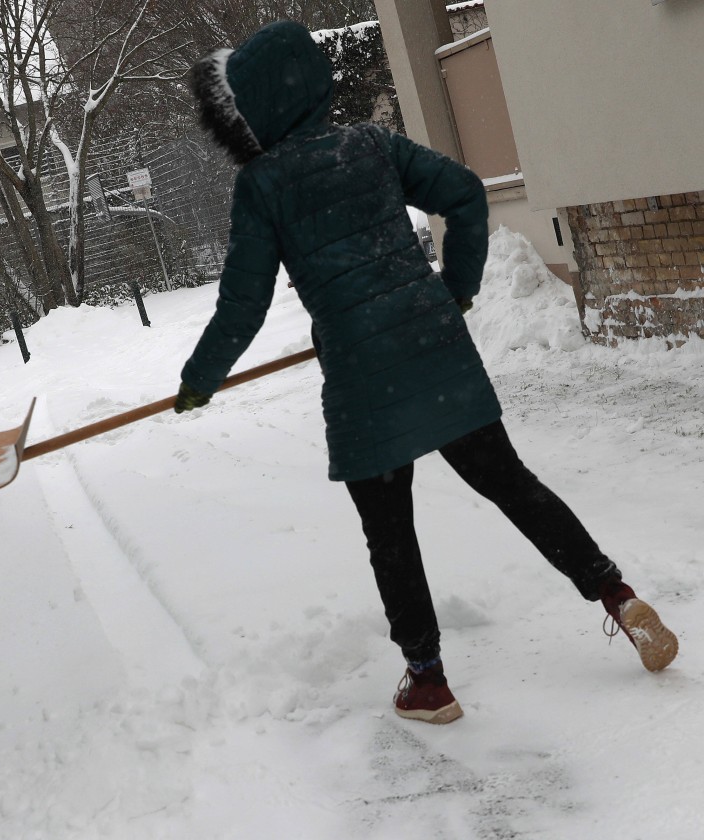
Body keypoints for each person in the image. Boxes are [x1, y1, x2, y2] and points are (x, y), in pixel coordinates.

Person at [172, 21, 678, 724]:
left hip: (361, 379)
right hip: (435, 348)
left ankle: (428, 680)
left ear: (254, 108)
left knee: (390, 532)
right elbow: (466, 193)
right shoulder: (370, 145)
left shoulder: (263, 186)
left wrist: (202, 377)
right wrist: (457, 286)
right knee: (514, 486)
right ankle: (618, 597)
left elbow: (242, 305)